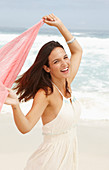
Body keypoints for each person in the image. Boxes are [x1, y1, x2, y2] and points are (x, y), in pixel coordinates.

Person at [5, 13, 83, 170]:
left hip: (68, 158)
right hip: (49, 162)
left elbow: (78, 51)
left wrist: (60, 25)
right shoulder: (46, 93)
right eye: (56, 61)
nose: (64, 64)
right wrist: (15, 105)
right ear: (47, 68)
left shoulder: (66, 81)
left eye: (64, 57)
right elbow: (26, 127)